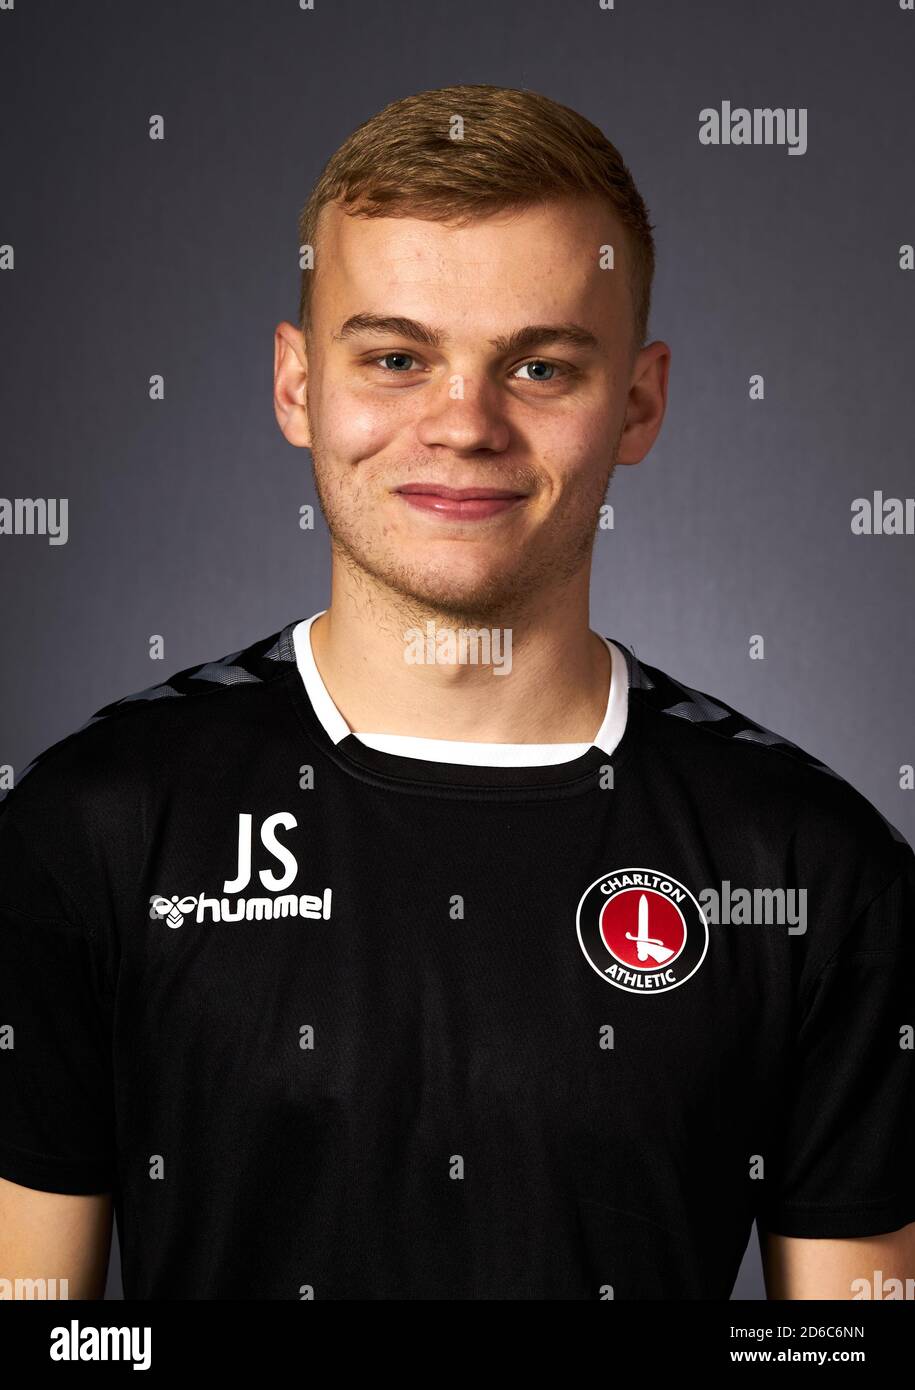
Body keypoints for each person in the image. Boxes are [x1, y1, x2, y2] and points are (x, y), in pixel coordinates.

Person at [1, 83, 913, 1301]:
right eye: (394, 357)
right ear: (296, 384)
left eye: (538, 365)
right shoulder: (94, 829)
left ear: (637, 400)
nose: (463, 422)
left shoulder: (810, 866)